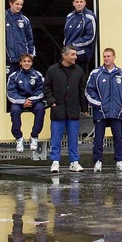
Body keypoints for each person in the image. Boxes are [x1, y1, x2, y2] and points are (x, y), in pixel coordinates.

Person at [86, 47, 122, 172]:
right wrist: (98, 104)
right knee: (98, 138)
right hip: (100, 112)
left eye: (108, 56)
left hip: (117, 112)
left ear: (114, 57)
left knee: (118, 137)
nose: (106, 58)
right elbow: (89, 91)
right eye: (104, 56)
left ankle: (120, 161)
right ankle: (98, 161)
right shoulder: (96, 73)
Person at [44, 44, 88, 173]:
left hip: (73, 109)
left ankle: (74, 162)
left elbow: (82, 90)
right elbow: (46, 88)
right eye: (73, 54)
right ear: (64, 56)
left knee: (73, 138)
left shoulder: (78, 71)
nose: (76, 57)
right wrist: (52, 102)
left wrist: (84, 107)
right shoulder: (52, 70)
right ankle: (55, 162)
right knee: (56, 138)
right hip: (58, 109)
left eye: (76, 54)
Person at [7, 53, 45, 152]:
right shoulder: (14, 76)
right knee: (14, 110)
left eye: (29, 61)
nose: (26, 63)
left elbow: (41, 91)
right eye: (24, 61)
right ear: (20, 63)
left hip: (34, 102)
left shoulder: (37, 75)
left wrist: (31, 100)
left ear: (32, 63)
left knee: (41, 109)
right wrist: (23, 101)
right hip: (19, 103)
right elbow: (11, 93)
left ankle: (34, 136)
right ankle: (19, 138)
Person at [63, 0, 97, 72]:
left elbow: (90, 36)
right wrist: (65, 46)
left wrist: (74, 45)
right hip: (68, 50)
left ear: (85, 3)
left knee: (76, 73)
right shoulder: (69, 16)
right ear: (73, 3)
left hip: (82, 51)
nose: (79, 4)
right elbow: (66, 33)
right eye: (77, 2)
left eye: (81, 2)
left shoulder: (89, 17)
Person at [5, 0, 35, 72]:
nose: (19, 6)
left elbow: (30, 38)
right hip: (8, 58)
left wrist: (29, 55)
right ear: (11, 3)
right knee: (8, 82)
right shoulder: (2, 17)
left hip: (22, 59)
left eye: (21, 5)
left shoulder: (25, 20)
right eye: (17, 4)